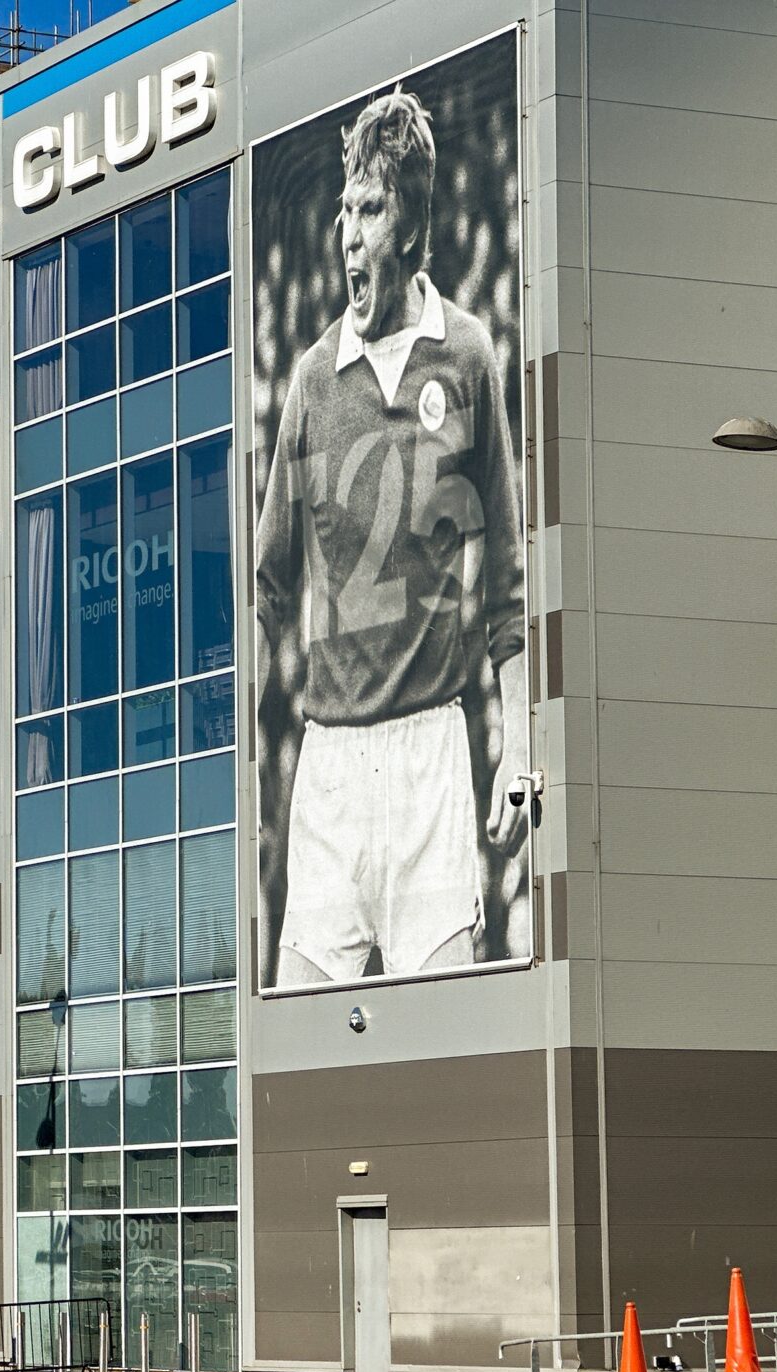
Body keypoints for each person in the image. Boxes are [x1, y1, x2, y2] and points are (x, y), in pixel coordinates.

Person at [256, 88, 526, 988]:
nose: (348, 232)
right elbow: (267, 586)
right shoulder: (308, 383)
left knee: (443, 1041)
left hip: (432, 757)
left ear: (409, 221)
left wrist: (519, 753)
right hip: (329, 762)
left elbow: (511, 589)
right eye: (344, 208)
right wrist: (251, 773)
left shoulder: (471, 357)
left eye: (368, 209)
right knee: (299, 1046)